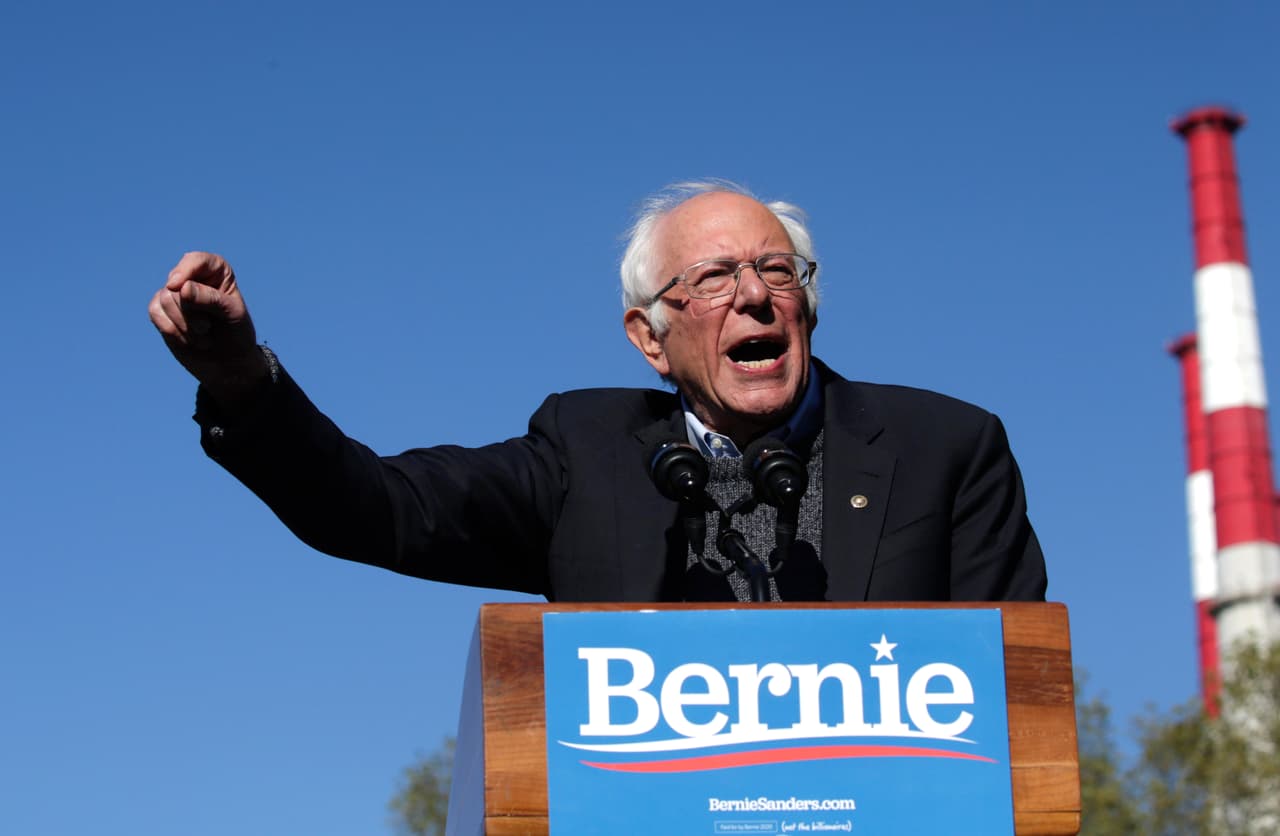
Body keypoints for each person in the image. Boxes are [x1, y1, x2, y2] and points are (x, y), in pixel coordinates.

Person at [148, 181, 1046, 602]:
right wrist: (239, 378)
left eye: (778, 269)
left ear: (807, 302)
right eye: (715, 276)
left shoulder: (945, 449)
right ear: (648, 338)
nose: (754, 294)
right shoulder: (585, 453)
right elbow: (375, 507)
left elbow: (1016, 696)